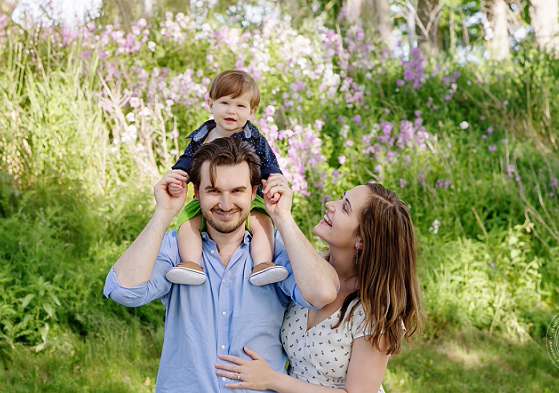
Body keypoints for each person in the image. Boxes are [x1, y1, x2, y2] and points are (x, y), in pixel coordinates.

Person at [103, 136, 339, 393]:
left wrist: (283, 216)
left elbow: (322, 293)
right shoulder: (176, 248)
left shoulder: (275, 251)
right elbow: (123, 290)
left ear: (253, 192)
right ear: (196, 193)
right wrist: (164, 213)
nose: (226, 205)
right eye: (214, 190)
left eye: (237, 191)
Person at [214, 182, 422, 392]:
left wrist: (272, 380)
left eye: (345, 207)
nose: (331, 204)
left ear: (362, 239)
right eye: (341, 198)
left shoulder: (373, 310)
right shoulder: (307, 269)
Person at [167, 69, 287, 286]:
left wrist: (275, 180)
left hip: (248, 199)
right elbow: (186, 161)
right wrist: (178, 178)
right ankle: (191, 264)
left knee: (261, 223)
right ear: (210, 103)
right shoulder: (201, 136)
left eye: (240, 105)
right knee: (187, 222)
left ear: (252, 110)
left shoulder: (254, 138)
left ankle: (261, 264)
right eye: (225, 103)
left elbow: (269, 163)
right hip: (206, 199)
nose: (232, 111)